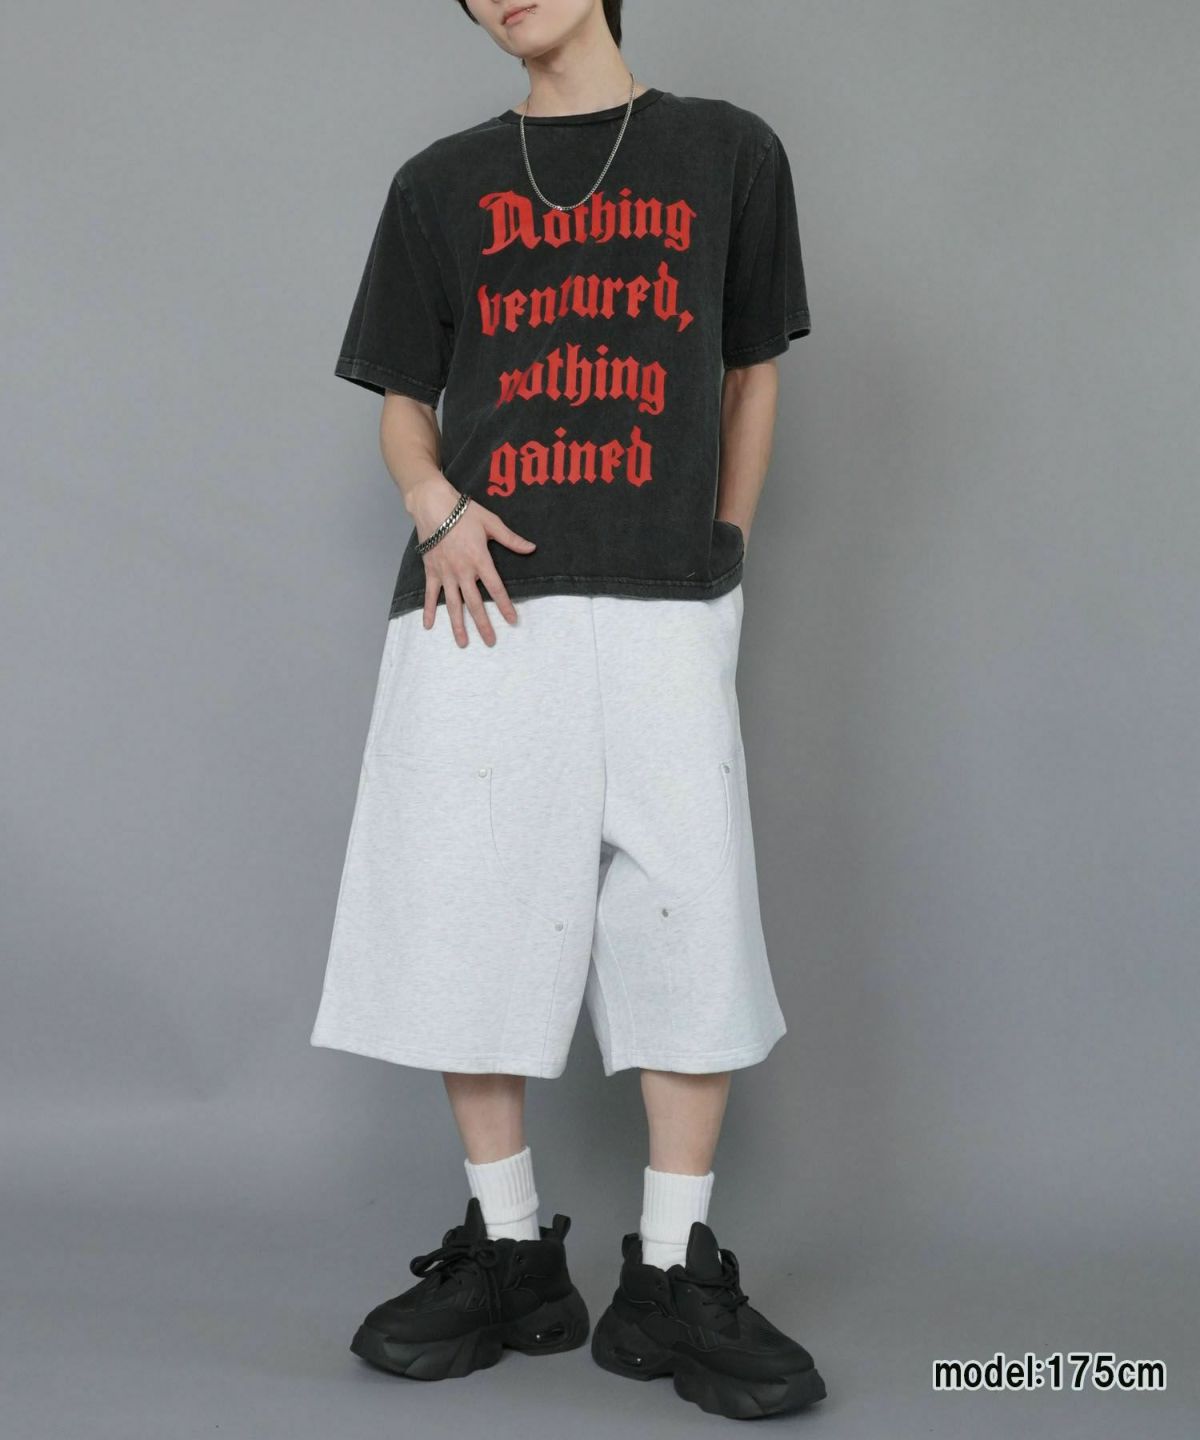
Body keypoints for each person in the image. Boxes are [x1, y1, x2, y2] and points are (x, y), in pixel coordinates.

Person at [309, 0, 825, 1418]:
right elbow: (404, 399)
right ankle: (510, 1251)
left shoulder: (727, 153)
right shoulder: (440, 183)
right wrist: (433, 504)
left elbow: (751, 371)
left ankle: (670, 1274)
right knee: (469, 915)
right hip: (482, 601)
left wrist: (722, 553)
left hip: (666, 593)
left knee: (688, 918)